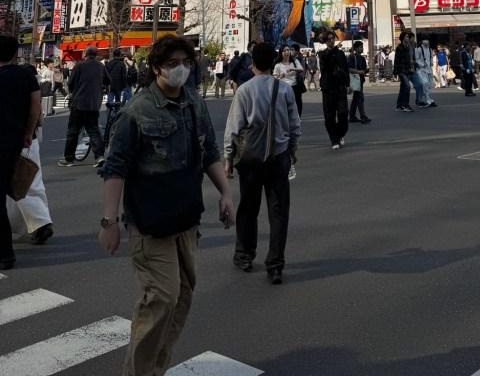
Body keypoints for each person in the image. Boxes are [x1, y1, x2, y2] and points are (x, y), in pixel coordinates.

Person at [98, 35, 235, 376]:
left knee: (181, 298)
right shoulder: (137, 110)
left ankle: (154, 368)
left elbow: (209, 151)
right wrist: (109, 221)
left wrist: (226, 193)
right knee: (161, 299)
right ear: (156, 67)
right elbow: (115, 168)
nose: (181, 70)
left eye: (186, 63)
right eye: (172, 64)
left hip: (186, 219)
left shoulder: (193, 101)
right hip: (151, 223)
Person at [223, 42, 300, 282]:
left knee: (248, 208)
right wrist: (293, 148)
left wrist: (228, 157)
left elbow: (233, 127)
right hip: (279, 156)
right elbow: (294, 124)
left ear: (253, 63)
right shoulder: (284, 89)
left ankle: (244, 255)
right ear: (273, 62)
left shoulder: (244, 90)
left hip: (250, 158)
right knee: (279, 211)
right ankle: (275, 264)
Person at [0, 36, 42, 269]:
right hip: (14, 140)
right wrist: (29, 132)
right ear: (16, 53)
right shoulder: (26, 75)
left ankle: (5, 254)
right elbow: (35, 106)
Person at [6, 60, 54, 246]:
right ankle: (40, 223)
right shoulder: (29, 84)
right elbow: (37, 116)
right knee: (32, 183)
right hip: (29, 140)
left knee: (17, 185)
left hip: (9, 140)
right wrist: (29, 132)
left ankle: (40, 224)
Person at [59, 45, 110, 167]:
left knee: (73, 131)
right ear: (95, 55)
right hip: (94, 103)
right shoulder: (100, 66)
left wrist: (75, 90)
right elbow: (108, 81)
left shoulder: (79, 65)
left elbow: (71, 83)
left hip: (79, 102)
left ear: (85, 54)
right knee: (93, 130)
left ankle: (69, 158)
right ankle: (99, 156)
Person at [319, 32, 350, 148]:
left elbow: (345, 69)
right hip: (328, 89)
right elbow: (326, 62)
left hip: (340, 87)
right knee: (329, 116)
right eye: (329, 39)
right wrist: (335, 49)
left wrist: (348, 84)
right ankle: (334, 140)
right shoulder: (322, 54)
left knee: (343, 114)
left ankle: (340, 134)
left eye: (333, 38)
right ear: (325, 41)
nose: (332, 41)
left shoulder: (340, 53)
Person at [273, 44, 305, 117]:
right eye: (284, 51)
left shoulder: (295, 61)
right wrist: (280, 77)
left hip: (294, 87)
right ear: (281, 52)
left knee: (297, 106)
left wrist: (291, 69)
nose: (287, 52)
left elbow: (301, 69)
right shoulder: (278, 65)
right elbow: (275, 80)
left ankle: (297, 119)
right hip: (283, 89)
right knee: (285, 108)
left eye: (288, 50)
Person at [347, 40, 372, 123]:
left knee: (356, 98)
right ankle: (363, 116)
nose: (362, 49)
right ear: (356, 49)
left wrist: (366, 70)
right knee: (360, 98)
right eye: (361, 47)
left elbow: (363, 70)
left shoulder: (362, 58)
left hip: (360, 80)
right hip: (355, 80)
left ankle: (352, 116)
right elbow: (349, 69)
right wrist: (359, 72)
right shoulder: (352, 57)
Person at [393, 31, 418, 111]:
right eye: (406, 37)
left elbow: (408, 58)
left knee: (403, 87)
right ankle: (405, 105)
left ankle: (399, 105)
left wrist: (411, 64)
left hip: (407, 69)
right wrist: (395, 71)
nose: (408, 38)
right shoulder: (399, 47)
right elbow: (396, 60)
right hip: (401, 69)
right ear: (403, 38)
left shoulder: (407, 47)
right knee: (407, 86)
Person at [415, 39, 438, 107]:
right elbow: (417, 59)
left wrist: (431, 62)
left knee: (429, 86)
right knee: (426, 84)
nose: (426, 41)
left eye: (427, 40)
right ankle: (429, 101)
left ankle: (421, 100)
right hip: (422, 70)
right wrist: (422, 64)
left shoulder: (430, 49)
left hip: (429, 69)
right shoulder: (419, 49)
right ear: (422, 41)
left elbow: (431, 57)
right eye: (425, 40)